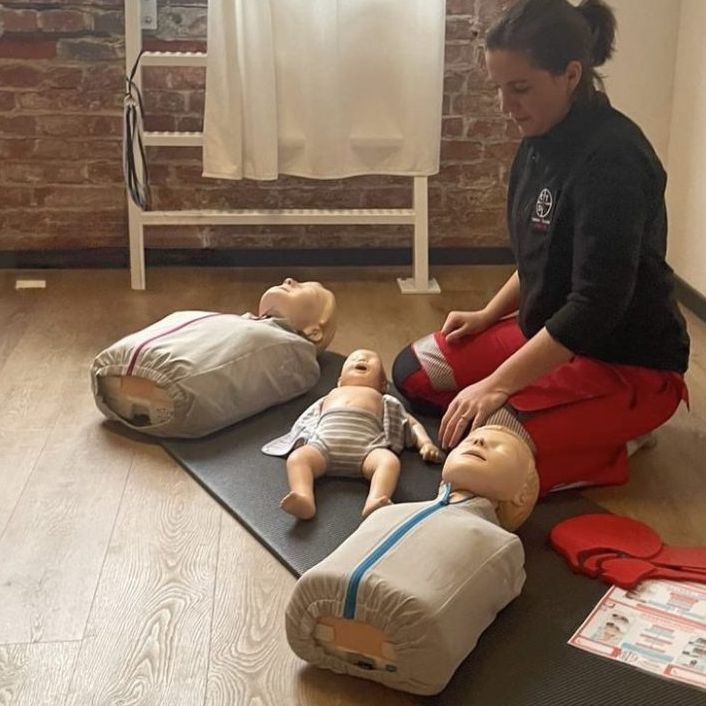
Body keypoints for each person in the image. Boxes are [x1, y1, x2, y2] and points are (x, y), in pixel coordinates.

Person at [392, 0, 690, 495]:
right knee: (416, 373)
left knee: (489, 444)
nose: (505, 105)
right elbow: (544, 255)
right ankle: (561, 419)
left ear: (571, 75)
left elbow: (596, 304)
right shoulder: (540, 138)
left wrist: (497, 385)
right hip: (550, 338)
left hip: (626, 364)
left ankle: (621, 438)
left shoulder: (614, 160)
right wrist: (488, 314)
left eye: (520, 88)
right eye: (499, 88)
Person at [283, 420, 538, 695]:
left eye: (501, 448)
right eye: (470, 439)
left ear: (521, 493)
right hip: (326, 602)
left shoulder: (501, 545)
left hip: (404, 627)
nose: (478, 441)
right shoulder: (389, 511)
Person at [92, 277, 337, 438]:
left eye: (304, 288)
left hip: (175, 381)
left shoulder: (294, 354)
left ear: (314, 332)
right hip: (158, 363)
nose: (289, 280)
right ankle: (142, 386)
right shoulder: (244, 323)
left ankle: (142, 388)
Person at [262, 349, 444, 519]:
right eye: (353, 359)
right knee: (298, 458)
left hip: (368, 450)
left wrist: (425, 443)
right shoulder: (331, 395)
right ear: (340, 381)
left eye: (371, 360)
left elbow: (410, 422)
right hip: (323, 447)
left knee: (388, 462)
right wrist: (298, 438)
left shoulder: (383, 399)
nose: (361, 359)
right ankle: (303, 496)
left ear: (383, 384)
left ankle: (376, 500)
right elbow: (308, 419)